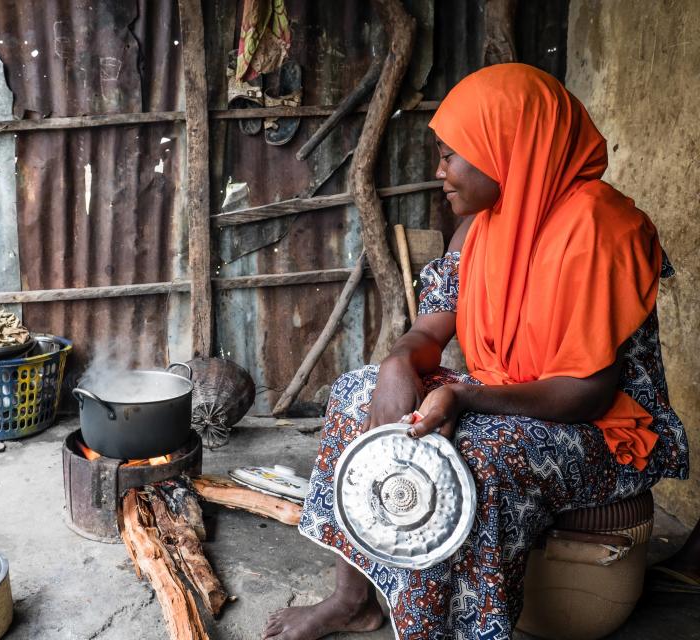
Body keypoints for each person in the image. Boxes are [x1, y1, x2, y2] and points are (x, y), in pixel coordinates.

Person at [263, 63, 689, 640]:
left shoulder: (600, 227)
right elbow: (429, 332)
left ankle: (450, 631)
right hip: (505, 395)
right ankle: (351, 599)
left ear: (509, 150)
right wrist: (397, 363)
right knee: (356, 392)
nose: (440, 172)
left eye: (450, 155)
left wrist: (466, 396)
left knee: (469, 456)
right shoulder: (481, 227)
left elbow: (588, 392)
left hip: (601, 431)